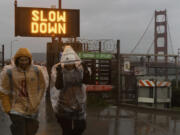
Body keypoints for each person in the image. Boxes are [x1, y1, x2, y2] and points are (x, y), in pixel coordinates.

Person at [0, 48, 48, 135]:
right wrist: (7, 108)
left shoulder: (37, 71)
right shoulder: (9, 72)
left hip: (33, 108)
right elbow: (4, 91)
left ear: (29, 60)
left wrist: (37, 101)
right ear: (17, 60)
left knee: (32, 130)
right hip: (16, 108)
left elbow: (42, 87)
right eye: (21, 60)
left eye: (26, 60)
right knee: (20, 131)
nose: (24, 62)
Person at [51, 45, 90, 135]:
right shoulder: (59, 70)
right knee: (66, 130)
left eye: (71, 62)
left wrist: (86, 71)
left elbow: (86, 81)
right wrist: (60, 74)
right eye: (67, 62)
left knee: (81, 127)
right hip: (64, 104)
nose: (69, 64)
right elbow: (58, 86)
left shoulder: (80, 70)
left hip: (79, 104)